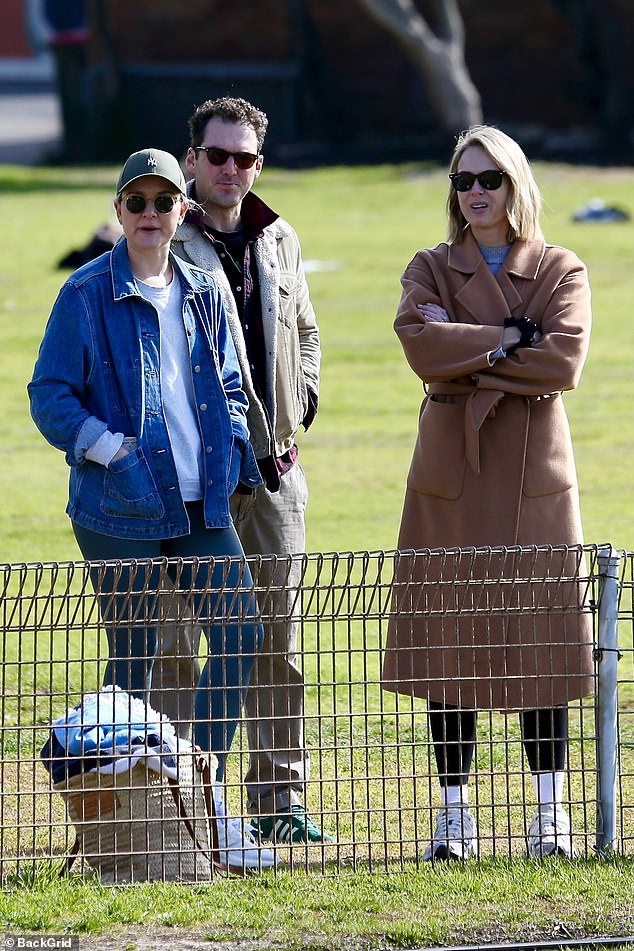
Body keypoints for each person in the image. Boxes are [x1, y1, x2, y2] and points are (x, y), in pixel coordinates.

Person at [28, 147, 276, 872]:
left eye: (163, 202)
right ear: (118, 211)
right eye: (135, 202)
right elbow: (49, 395)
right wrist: (114, 452)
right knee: (134, 657)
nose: (149, 215)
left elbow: (232, 381)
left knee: (240, 634)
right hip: (117, 507)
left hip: (202, 503)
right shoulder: (83, 293)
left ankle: (208, 799)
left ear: (181, 212)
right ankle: (121, 824)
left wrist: (231, 445)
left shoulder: (203, 288)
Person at [382, 125, 594, 861]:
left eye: (489, 179)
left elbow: (563, 362)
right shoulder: (430, 265)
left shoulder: (562, 267)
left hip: (535, 476)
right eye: (463, 180)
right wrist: (507, 341)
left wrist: (466, 349)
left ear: (516, 186)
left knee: (543, 642)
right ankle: (454, 817)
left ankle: (550, 816)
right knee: (451, 644)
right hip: (452, 474)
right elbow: (418, 347)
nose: (475, 192)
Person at [151, 96, 330, 845]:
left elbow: (308, 329)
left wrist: (306, 399)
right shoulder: (160, 236)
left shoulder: (279, 236)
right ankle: (179, 804)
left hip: (276, 473)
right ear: (192, 161)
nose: (230, 170)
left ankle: (278, 799)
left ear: (259, 164)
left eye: (244, 158)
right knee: (178, 644)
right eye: (217, 156)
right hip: (194, 483)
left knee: (276, 643)